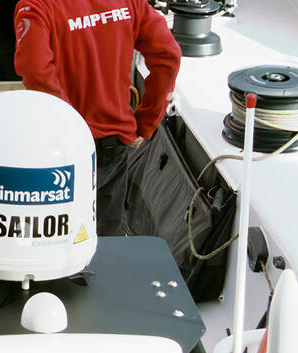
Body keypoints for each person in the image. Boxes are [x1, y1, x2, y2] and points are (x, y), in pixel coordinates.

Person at [13, 0, 181, 236]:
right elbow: (169, 57)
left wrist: (72, 128)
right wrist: (145, 124)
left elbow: (35, 71)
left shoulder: (36, 6)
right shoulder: (131, 3)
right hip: (113, 144)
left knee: (50, 236)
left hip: (59, 146)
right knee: (105, 240)